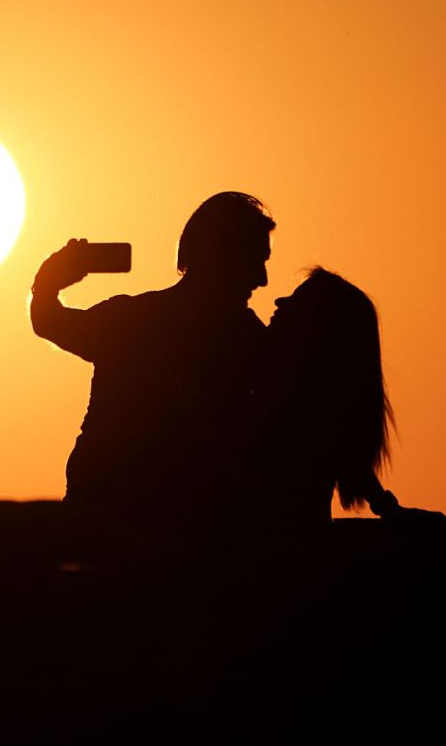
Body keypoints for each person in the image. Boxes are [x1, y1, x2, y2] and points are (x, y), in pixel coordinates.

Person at [31, 192, 275, 529]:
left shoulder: (133, 319)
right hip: (166, 527)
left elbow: (47, 320)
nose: (261, 279)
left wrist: (48, 282)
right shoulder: (254, 344)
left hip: (124, 521)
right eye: (254, 261)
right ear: (220, 257)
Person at [250, 268, 446, 527]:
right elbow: (350, 461)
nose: (280, 301)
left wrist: (389, 508)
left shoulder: (304, 402)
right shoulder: (320, 400)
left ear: (317, 327)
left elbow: (344, 455)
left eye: (296, 301)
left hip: (281, 541)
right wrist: (389, 508)